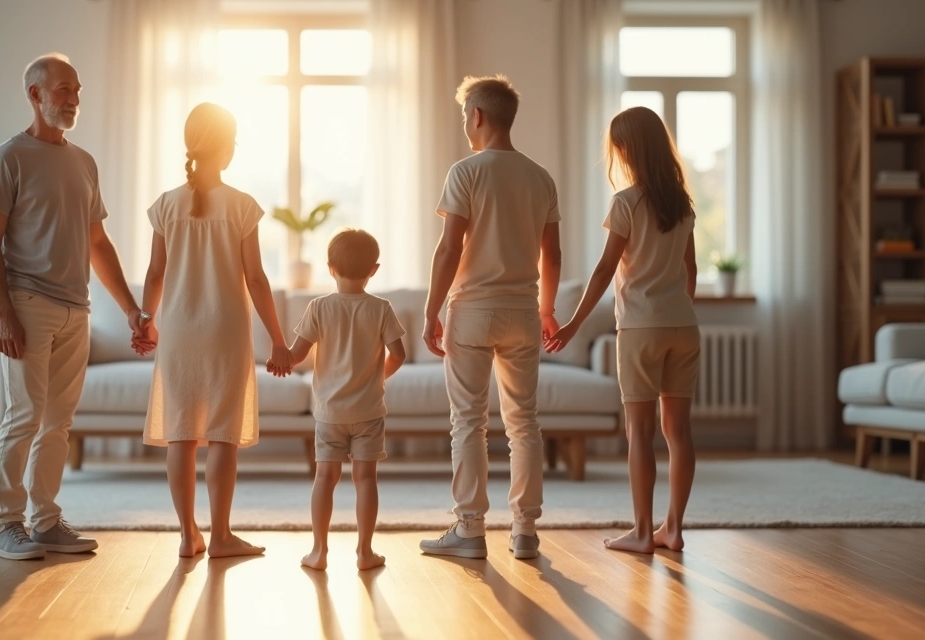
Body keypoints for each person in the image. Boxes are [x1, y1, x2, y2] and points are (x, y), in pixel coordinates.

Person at [0, 53, 142, 560]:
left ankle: (45, 521)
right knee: (24, 416)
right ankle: (7, 525)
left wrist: (131, 309)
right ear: (36, 95)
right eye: (63, 89)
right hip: (27, 303)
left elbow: (99, 244)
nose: (73, 99)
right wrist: (3, 311)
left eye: (77, 90)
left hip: (77, 308)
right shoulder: (8, 158)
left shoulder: (84, 162)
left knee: (57, 423)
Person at [132, 103, 294, 558]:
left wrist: (145, 320)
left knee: (181, 433)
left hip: (179, 330)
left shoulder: (166, 205)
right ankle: (221, 536)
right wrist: (278, 340)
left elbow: (155, 274)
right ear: (227, 149)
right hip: (225, 330)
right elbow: (256, 279)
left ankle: (188, 536)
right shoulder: (241, 206)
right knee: (223, 433)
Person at [418, 75, 562, 560]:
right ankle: (525, 532)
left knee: (468, 422)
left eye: (465, 116)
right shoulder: (541, 177)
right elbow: (552, 255)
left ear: (477, 116)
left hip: (472, 311)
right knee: (524, 423)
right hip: (522, 311)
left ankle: (470, 530)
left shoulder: (465, 172)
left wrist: (431, 310)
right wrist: (547, 310)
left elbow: (449, 248)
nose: (465, 124)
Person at [547, 106, 699, 554]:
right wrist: (677, 308)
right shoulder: (682, 204)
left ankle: (642, 533)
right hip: (683, 327)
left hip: (640, 328)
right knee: (679, 433)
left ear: (629, 149)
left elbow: (603, 271)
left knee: (639, 432)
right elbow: (690, 271)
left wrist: (572, 324)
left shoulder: (626, 202)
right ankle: (673, 529)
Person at [279, 229, 406, 571]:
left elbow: (296, 355)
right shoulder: (381, 308)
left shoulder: (319, 307)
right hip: (368, 412)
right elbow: (399, 354)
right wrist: (378, 378)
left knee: (325, 478)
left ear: (330, 268)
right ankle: (365, 552)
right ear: (374, 270)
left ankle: (319, 551)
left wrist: (281, 358)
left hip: (329, 413)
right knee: (366, 480)